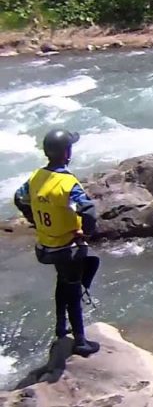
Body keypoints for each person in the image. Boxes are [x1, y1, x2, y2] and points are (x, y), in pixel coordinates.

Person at [13, 129, 101, 356]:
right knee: (75, 285)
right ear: (66, 153)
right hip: (67, 247)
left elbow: (19, 197)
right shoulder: (67, 182)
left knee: (63, 281)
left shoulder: (36, 177)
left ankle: (61, 327)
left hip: (46, 246)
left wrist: (33, 219)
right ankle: (80, 341)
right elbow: (88, 209)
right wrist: (86, 233)